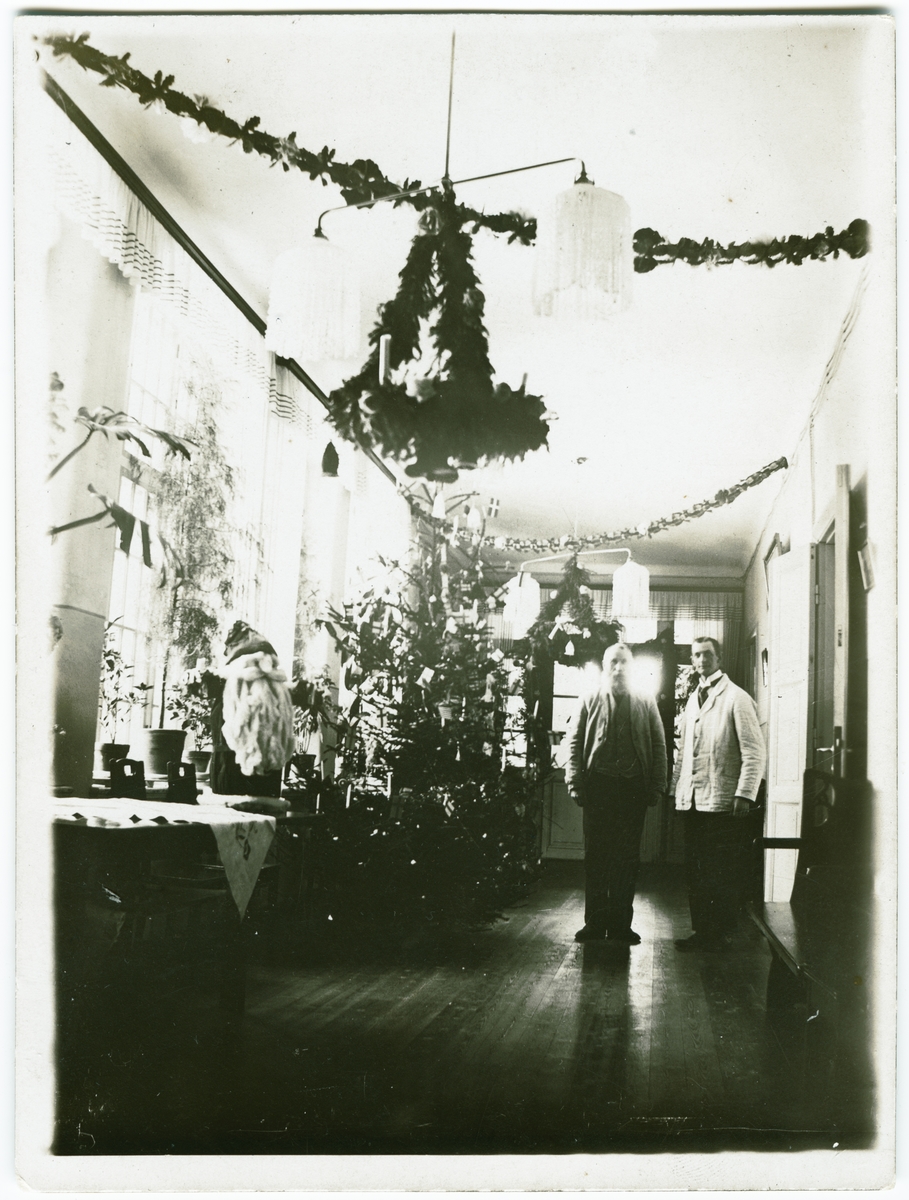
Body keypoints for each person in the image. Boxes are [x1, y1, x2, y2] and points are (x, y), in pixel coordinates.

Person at [565, 642, 668, 944]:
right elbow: (573, 742)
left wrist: (657, 785)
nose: (619, 668)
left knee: (627, 858)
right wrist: (574, 782)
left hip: (633, 789)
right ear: (605, 665)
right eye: (613, 662)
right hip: (598, 788)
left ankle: (622, 925)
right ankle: (595, 924)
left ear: (631, 667)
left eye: (624, 662)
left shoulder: (646, 701)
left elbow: (659, 744)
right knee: (596, 857)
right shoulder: (589, 698)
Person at [670, 636, 765, 952]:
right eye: (696, 655)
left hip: (722, 801)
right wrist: (676, 789)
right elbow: (684, 752)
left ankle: (720, 936)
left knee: (719, 871)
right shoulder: (693, 699)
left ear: (719, 658)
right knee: (696, 870)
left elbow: (754, 752)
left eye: (707, 654)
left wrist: (745, 794)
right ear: (692, 660)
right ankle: (702, 932)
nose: (701, 660)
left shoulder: (737, 698)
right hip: (693, 800)